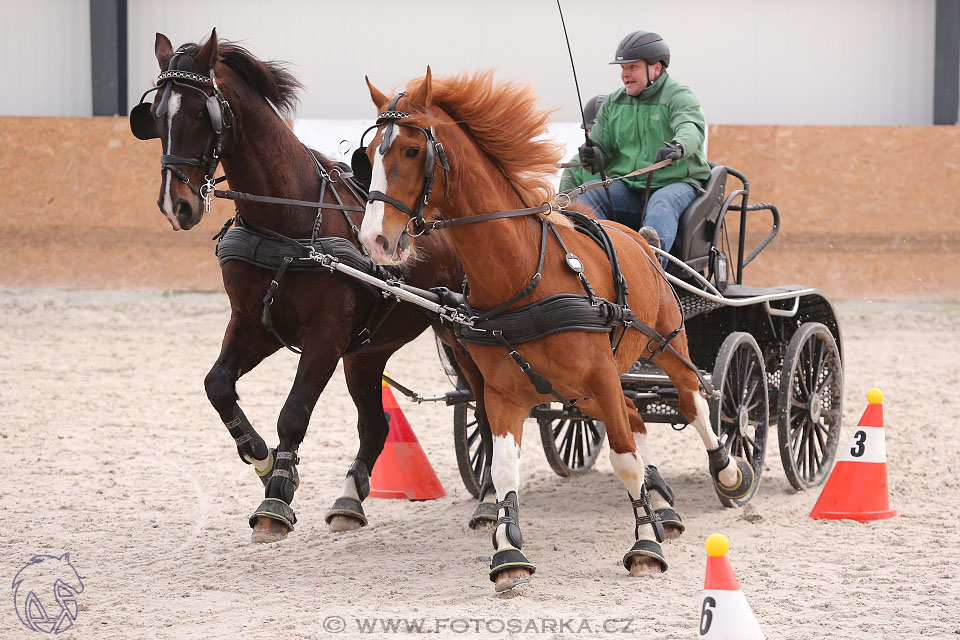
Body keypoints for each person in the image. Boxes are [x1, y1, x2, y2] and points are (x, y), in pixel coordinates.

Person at [575, 30, 709, 254]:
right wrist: (592, 154)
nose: (625, 74)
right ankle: (596, 259)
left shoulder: (679, 96)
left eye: (632, 67)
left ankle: (652, 269)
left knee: (662, 203)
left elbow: (690, 127)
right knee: (591, 195)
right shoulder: (613, 103)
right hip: (630, 188)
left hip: (677, 182)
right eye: (623, 68)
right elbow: (603, 150)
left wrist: (679, 146)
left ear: (656, 68)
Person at [559, 95, 604, 192]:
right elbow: (564, 203)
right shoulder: (574, 166)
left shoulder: (629, 161)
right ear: (587, 132)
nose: (598, 136)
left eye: (603, 131)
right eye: (592, 130)